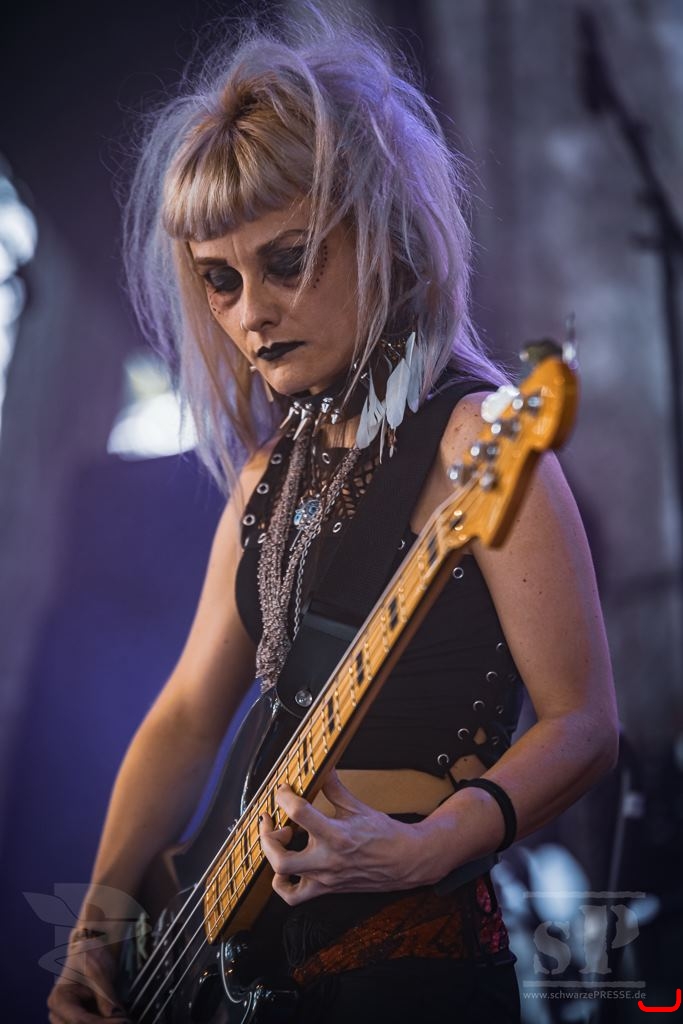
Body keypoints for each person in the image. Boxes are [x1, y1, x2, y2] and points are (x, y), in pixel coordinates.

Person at [47, 6, 618, 1023]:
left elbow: (583, 722)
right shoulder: (266, 474)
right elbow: (186, 716)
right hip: (245, 978)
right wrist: (97, 920)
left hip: (410, 967)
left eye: (287, 260)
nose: (249, 313)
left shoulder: (476, 438)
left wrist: (430, 846)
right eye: (218, 280)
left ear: (386, 233)